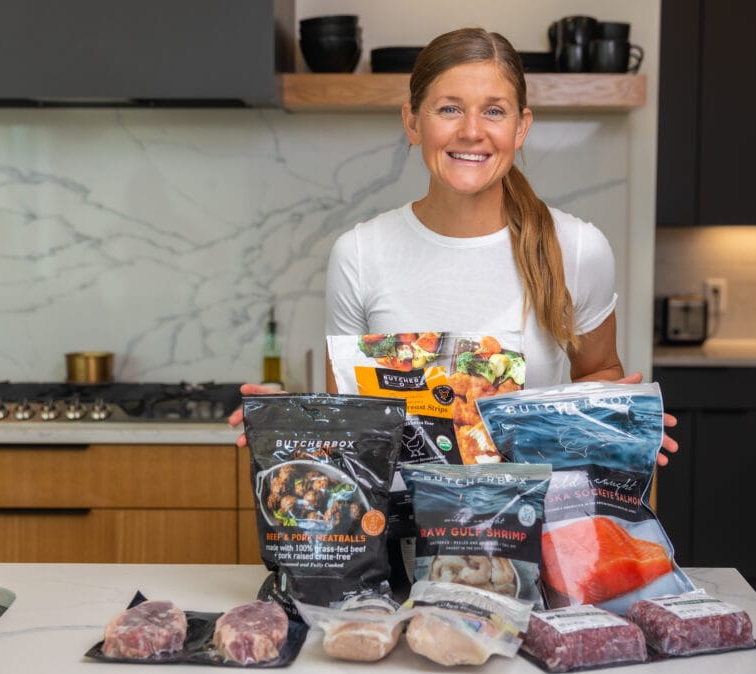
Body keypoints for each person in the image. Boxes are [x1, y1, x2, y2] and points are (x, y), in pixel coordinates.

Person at [231, 27, 676, 463]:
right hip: (398, 534)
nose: (471, 131)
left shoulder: (578, 248)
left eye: (495, 112)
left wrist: (617, 425)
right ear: (412, 122)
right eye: (449, 109)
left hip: (526, 525)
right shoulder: (360, 254)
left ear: (521, 128)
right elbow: (353, 422)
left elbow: (600, 372)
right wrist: (289, 418)